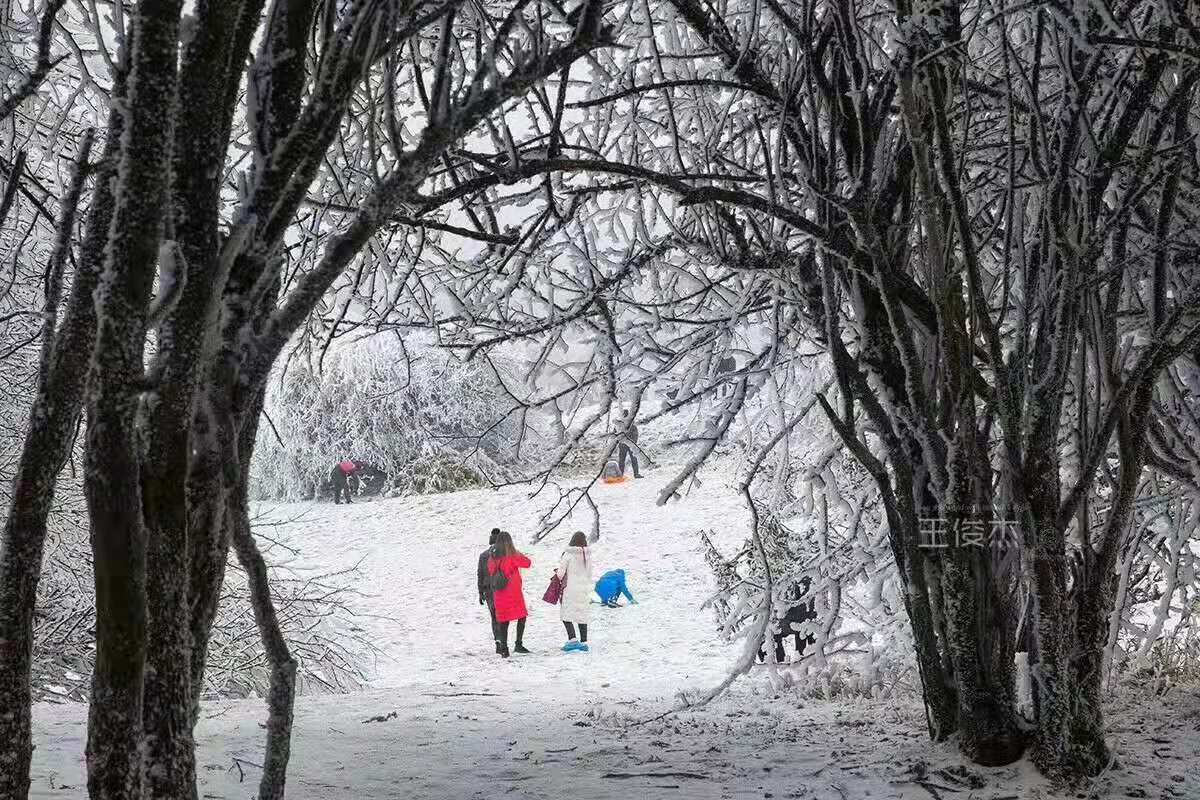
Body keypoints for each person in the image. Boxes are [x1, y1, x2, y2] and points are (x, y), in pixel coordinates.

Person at [488, 530, 531, 658]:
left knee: (503, 621)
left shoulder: (493, 556)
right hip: (513, 592)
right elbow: (527, 563)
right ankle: (518, 643)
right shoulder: (513, 555)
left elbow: (490, 570)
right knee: (522, 616)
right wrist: (517, 552)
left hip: (499, 592)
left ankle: (504, 648)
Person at [758, 577, 817, 664]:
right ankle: (786, 662)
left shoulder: (807, 585)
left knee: (801, 631)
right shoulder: (796, 584)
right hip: (793, 620)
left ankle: (799, 659)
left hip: (798, 621)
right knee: (777, 633)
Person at [556, 531, 594, 652]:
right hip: (583, 589)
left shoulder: (568, 554)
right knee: (582, 615)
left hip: (570, 589)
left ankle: (572, 640)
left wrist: (557, 572)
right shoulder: (587, 555)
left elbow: (560, 574)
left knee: (566, 614)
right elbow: (589, 574)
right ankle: (584, 642)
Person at [477, 528, 502, 654]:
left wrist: (480, 592)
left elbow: (480, 574)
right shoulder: (504, 554)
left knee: (494, 616)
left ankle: (498, 640)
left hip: (488, 590)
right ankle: (503, 640)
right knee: (502, 616)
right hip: (501, 589)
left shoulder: (483, 555)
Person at [616, 409, 642, 478]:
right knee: (628, 460)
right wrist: (633, 443)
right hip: (627, 444)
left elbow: (615, 435)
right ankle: (635, 474)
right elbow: (635, 434)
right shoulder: (629, 424)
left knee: (624, 460)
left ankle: (621, 475)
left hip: (626, 445)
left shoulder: (620, 425)